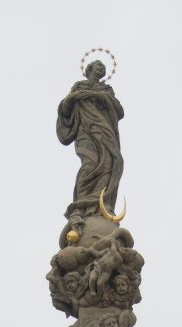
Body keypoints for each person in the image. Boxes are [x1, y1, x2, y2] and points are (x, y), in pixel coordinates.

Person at [57, 59, 124, 215]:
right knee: (89, 164)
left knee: (107, 165)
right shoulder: (79, 87)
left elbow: (119, 111)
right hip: (85, 132)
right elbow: (66, 109)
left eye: (104, 66)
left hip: (104, 132)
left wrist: (97, 95)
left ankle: (101, 206)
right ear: (89, 69)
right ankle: (81, 206)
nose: (102, 67)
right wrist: (73, 98)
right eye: (98, 64)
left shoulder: (107, 90)